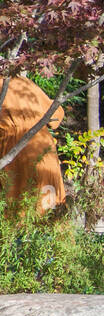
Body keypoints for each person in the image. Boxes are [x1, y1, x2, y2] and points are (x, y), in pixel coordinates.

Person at [0, 73, 66, 214]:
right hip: (42, 143)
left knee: (15, 205)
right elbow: (56, 117)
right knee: (48, 206)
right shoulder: (24, 82)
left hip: (12, 148)